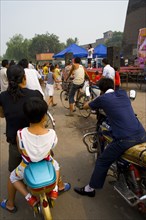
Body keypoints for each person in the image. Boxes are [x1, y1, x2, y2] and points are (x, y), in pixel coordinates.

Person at [0, 65, 70, 212]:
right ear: (24, 78)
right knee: (51, 161)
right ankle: (60, 186)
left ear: (8, 79)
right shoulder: (35, 94)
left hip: (16, 142)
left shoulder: (2, 97)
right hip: (40, 139)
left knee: (13, 174)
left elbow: (1, 115)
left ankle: (10, 204)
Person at [74, 78, 146, 197]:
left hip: (125, 139)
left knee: (102, 161)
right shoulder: (122, 93)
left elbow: (86, 106)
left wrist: (88, 101)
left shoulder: (102, 99)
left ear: (101, 90)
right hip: (142, 134)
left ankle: (90, 189)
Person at [8, 97, 70, 208]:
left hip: (26, 165)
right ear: (44, 117)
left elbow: (20, 150)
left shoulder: (20, 134)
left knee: (13, 178)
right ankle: (55, 189)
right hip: (46, 162)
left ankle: (29, 198)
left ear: (26, 116)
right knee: (56, 166)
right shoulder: (51, 134)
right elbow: (51, 148)